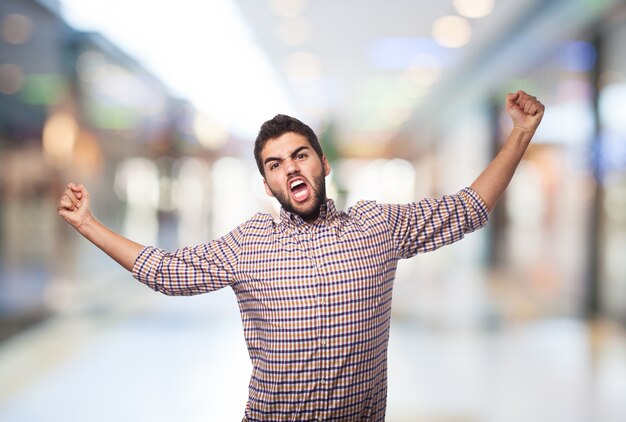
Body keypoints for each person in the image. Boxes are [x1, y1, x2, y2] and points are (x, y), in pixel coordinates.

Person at [57, 91, 544, 421]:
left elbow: (470, 208)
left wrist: (521, 133)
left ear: (323, 162)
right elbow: (166, 272)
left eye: (300, 154)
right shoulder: (249, 244)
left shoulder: (377, 226)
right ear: (267, 183)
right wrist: (88, 224)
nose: (290, 166)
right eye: (275, 163)